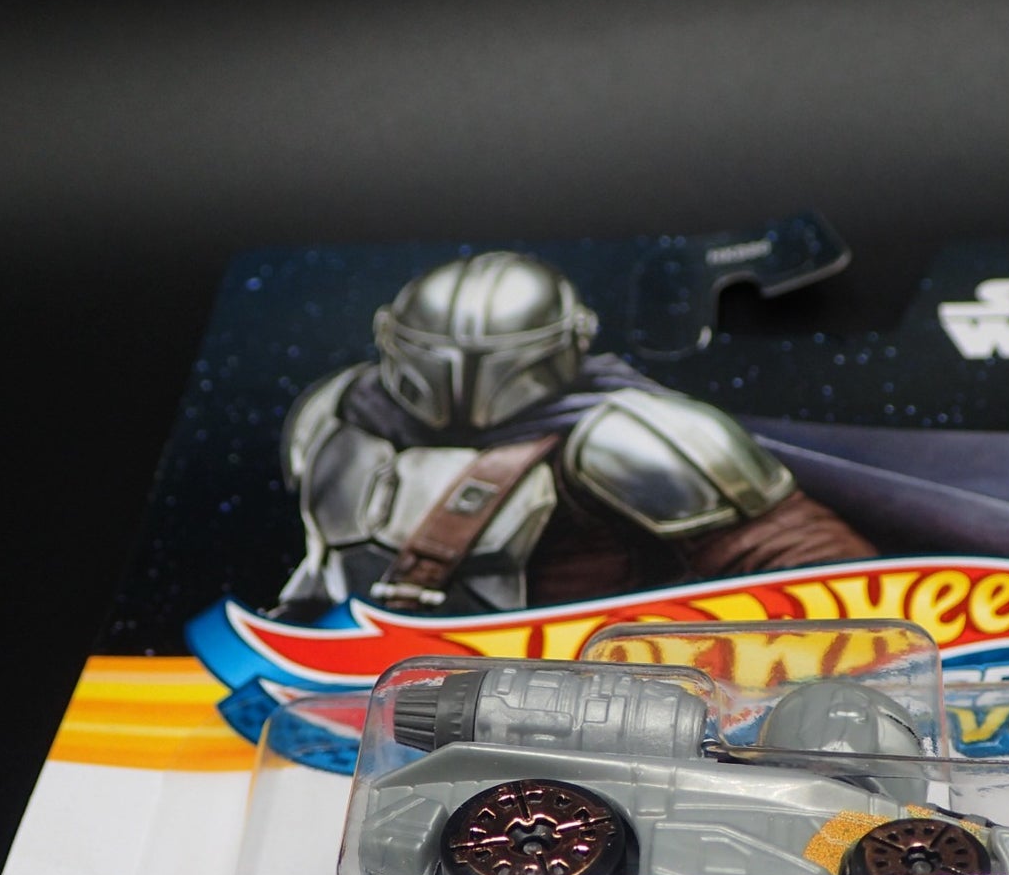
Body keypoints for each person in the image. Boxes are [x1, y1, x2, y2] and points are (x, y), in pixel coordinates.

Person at [273, 250, 873, 620]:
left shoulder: (632, 434)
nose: (464, 386)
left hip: (564, 694)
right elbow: (319, 562)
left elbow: (819, 569)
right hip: (338, 672)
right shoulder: (337, 408)